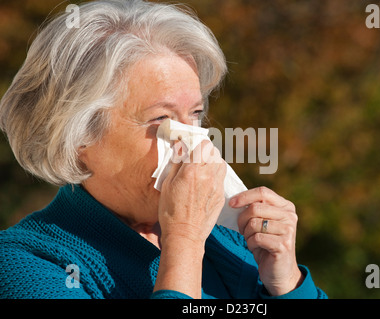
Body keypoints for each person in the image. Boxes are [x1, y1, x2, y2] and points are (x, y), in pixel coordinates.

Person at [0, 0, 327, 299]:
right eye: (162, 120)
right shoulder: (25, 263)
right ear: (77, 137)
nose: (192, 143)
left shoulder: (229, 235)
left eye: (195, 115)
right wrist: (183, 243)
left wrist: (286, 282)